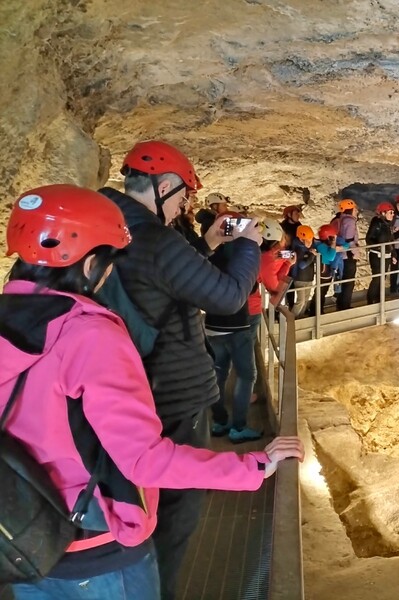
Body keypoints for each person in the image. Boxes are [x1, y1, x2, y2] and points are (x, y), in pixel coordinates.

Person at [0, 184, 304, 600]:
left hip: (22, 540)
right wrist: (251, 466)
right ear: (91, 264)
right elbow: (143, 460)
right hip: (94, 546)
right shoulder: (89, 336)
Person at [97, 140, 263, 600]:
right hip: (170, 396)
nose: (186, 206)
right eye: (184, 196)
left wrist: (207, 244)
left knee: (131, 507)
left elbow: (169, 283)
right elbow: (228, 295)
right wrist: (248, 245)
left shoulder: (109, 226)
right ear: (164, 185)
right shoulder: (152, 235)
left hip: (124, 390)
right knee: (172, 518)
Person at [205, 212, 263, 444]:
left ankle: (219, 422)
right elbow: (247, 290)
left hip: (212, 325)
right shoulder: (240, 253)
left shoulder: (210, 251)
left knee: (218, 374)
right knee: (246, 375)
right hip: (236, 325)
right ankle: (238, 427)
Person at [308, 224, 349, 316]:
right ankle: (316, 311)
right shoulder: (322, 246)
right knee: (321, 291)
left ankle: (316, 310)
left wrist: (339, 248)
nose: (335, 237)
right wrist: (334, 245)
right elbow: (330, 257)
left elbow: (346, 245)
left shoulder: (323, 244)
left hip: (326, 269)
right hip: (324, 270)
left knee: (322, 291)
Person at [330, 199, 360, 310]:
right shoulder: (350, 221)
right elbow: (350, 239)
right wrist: (356, 251)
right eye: (355, 208)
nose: (356, 210)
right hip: (348, 254)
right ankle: (345, 306)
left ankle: (340, 304)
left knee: (343, 280)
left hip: (341, 255)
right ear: (351, 209)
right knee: (349, 281)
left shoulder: (340, 219)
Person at [365, 202, 397, 304]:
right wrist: (379, 247)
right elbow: (369, 238)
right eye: (390, 212)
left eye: (393, 212)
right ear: (383, 213)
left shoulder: (388, 224)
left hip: (386, 255)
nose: (393, 214)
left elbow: (391, 241)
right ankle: (370, 300)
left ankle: (379, 299)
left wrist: (393, 254)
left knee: (382, 278)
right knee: (377, 278)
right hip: (376, 255)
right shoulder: (377, 223)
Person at [288, 225, 317, 317]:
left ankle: (300, 317)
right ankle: (291, 319)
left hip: (308, 277)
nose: (310, 242)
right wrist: (312, 255)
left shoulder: (308, 248)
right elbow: (302, 265)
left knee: (305, 300)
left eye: (311, 240)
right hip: (300, 278)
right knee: (301, 301)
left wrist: (312, 255)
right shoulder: (297, 248)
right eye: (308, 240)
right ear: (301, 239)